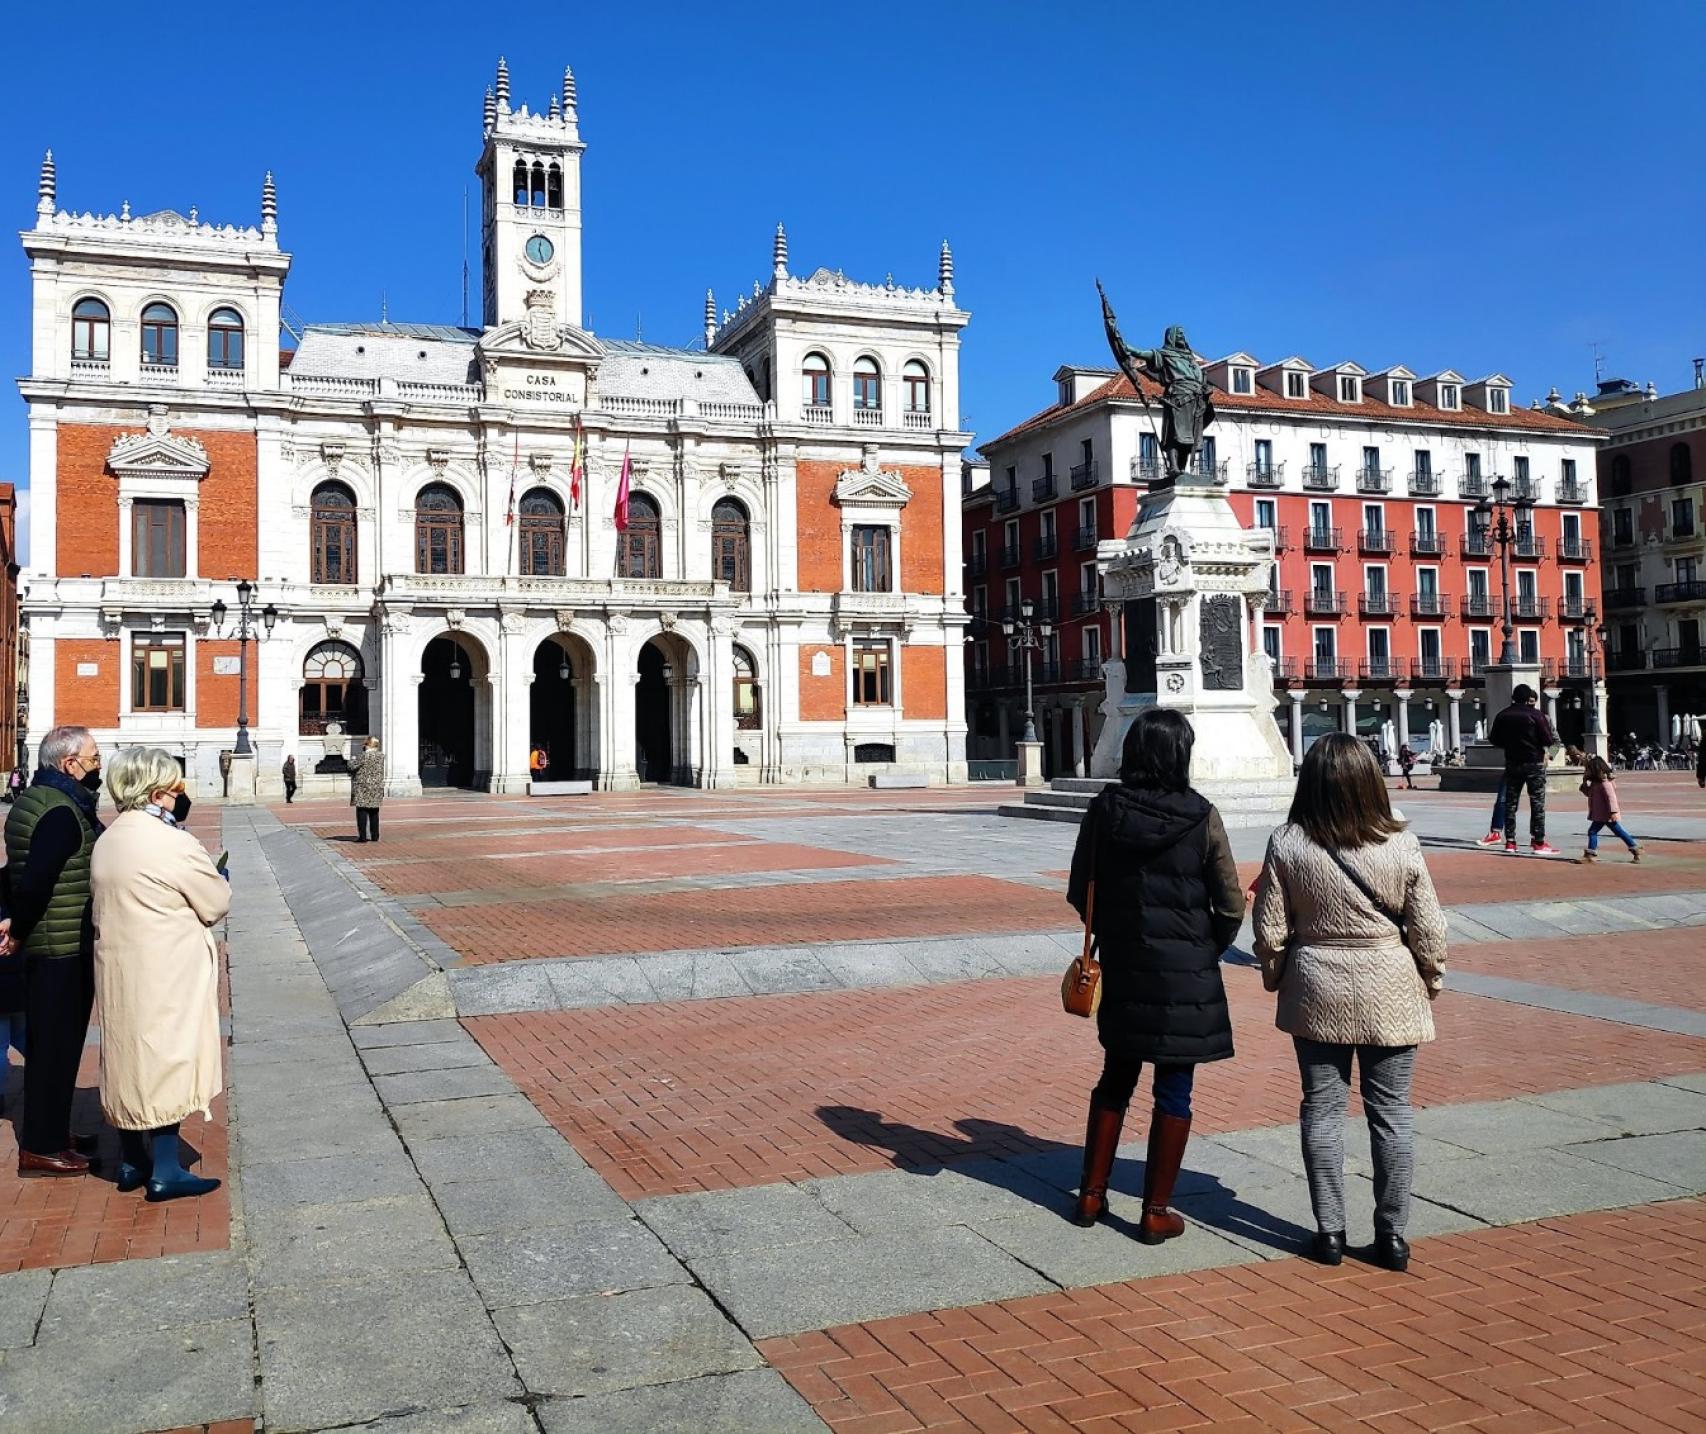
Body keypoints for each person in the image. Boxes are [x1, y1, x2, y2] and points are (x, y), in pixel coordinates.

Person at [1253, 733, 1449, 1272]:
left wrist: (1277, 978)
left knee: (1322, 1110)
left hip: (1317, 982)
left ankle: (1330, 1232)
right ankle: (1393, 1236)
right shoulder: (1401, 841)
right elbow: (1428, 925)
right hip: (1391, 981)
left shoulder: (1288, 842)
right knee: (1392, 1113)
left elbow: (1270, 930)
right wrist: (1430, 977)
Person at [1065, 709, 1245, 1243]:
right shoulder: (1202, 815)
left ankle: (1091, 1196)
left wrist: (1121, 934)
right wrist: (1205, 947)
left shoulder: (1104, 810)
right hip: (1185, 975)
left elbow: (1082, 890)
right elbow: (1230, 902)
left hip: (1125, 964)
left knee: (1115, 1077)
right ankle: (1154, 1210)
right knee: (1174, 1089)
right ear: (1181, 754)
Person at [90, 748, 230, 1201]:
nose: (179, 797)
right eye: (175, 789)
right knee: (166, 1059)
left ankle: (133, 1159)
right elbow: (214, 901)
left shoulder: (108, 839)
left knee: (128, 1056)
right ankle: (166, 1169)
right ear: (156, 794)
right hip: (166, 967)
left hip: (119, 967)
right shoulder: (171, 842)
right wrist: (218, 874)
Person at [4, 725, 104, 1177]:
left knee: (55, 1046)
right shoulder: (62, 811)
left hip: (54, 942)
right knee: (55, 1050)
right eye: (93, 757)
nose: (97, 765)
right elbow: (38, 880)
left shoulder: (38, 800)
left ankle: (53, 1130)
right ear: (69, 763)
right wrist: (20, 929)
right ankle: (41, 1146)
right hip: (59, 946)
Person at [1489, 684, 1560, 855]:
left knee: (1510, 803)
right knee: (1537, 803)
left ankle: (1511, 842)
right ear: (1528, 698)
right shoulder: (1537, 716)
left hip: (1513, 762)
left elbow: (1494, 739)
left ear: (1513, 697)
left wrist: (1510, 746)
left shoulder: (1502, 715)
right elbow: (1550, 740)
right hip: (1534, 762)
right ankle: (1538, 841)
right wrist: (1547, 756)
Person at [1580, 754, 1640, 863]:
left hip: (1605, 814)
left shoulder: (1604, 783)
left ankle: (1590, 854)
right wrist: (1584, 783)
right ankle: (1635, 849)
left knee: (1592, 832)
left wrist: (1613, 811)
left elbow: (1611, 798)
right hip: (1600, 814)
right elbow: (1589, 794)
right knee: (1619, 832)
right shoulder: (1595, 783)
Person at [349, 737, 385, 843]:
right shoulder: (380, 756)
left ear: (367, 745)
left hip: (363, 786)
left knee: (362, 811)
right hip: (376, 786)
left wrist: (352, 759)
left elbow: (352, 766)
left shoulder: (364, 756)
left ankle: (363, 836)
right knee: (374, 812)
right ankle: (375, 835)